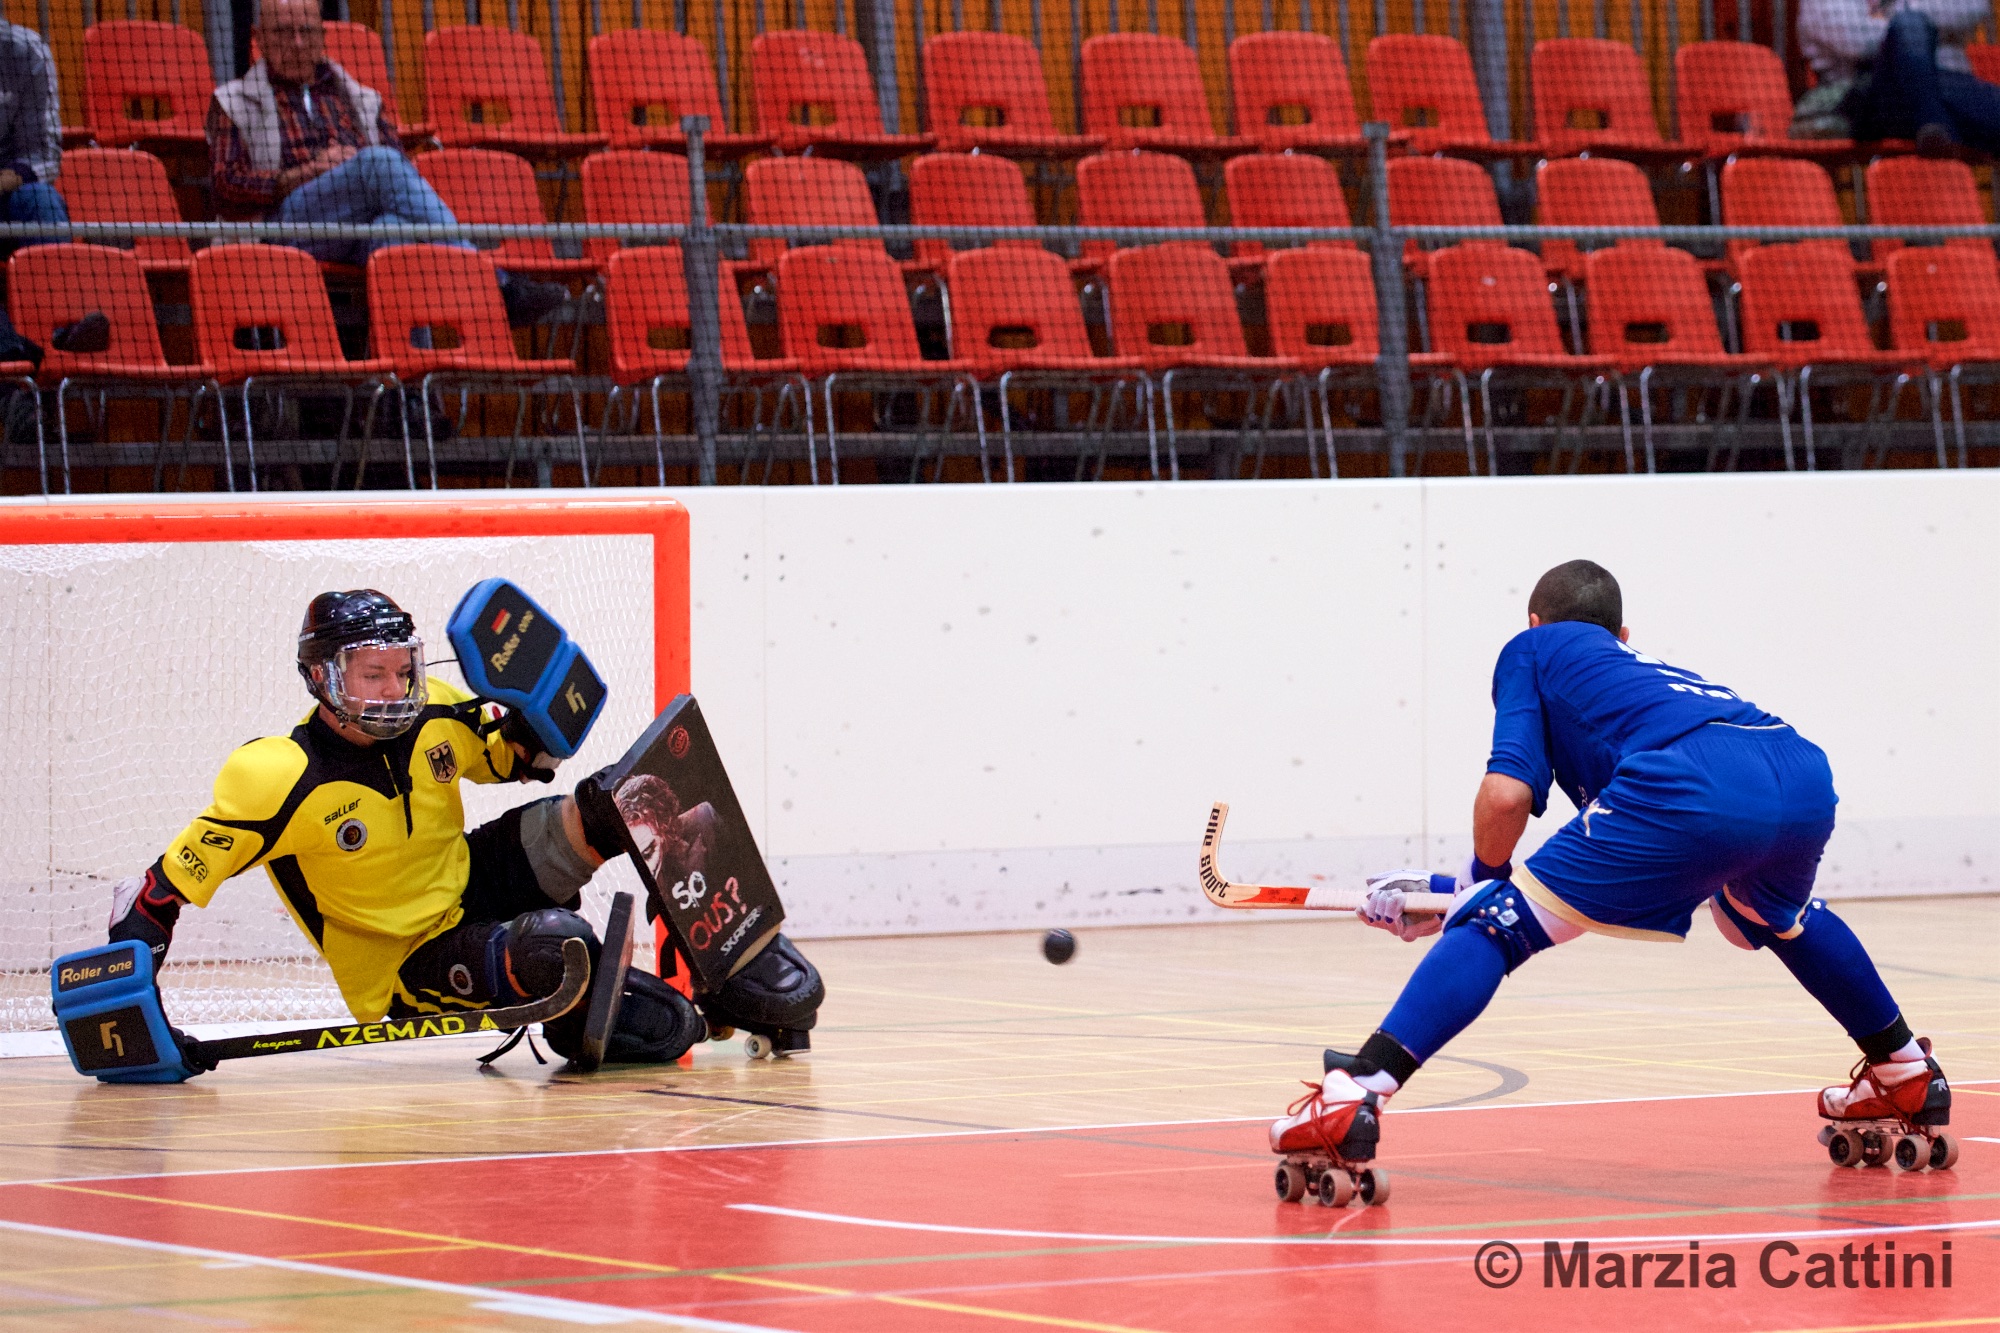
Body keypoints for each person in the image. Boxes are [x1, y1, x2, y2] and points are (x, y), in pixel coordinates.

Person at [1271, 560, 1952, 1172]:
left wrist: (1474, 893)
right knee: (1763, 915)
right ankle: (1905, 1068)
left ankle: (1356, 1091)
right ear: (1622, 635)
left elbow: (1506, 795)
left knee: (1494, 928)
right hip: (1798, 769)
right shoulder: (1645, 676)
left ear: (1534, 622)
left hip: (1694, 780)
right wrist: (1459, 893)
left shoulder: (1532, 649)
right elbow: (1710, 897)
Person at [106, 589, 713, 1067]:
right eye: (373, 675)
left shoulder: (435, 710)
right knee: (556, 947)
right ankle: (585, 1021)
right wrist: (132, 1022)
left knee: (625, 797)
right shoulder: (276, 775)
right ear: (321, 677)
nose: (395, 690)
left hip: (467, 879)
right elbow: (153, 897)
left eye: (403, 670)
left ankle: (728, 955)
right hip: (404, 960)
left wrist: (539, 714)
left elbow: (513, 761)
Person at [207, 0, 567, 326]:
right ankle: (493, 284)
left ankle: (406, 375)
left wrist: (352, 168)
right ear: (258, 38)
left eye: (307, 31)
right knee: (377, 162)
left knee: (395, 234)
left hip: (356, 227)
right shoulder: (232, 102)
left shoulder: (361, 99)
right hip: (282, 229)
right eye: (284, 33)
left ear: (322, 36)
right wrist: (309, 173)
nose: (298, 44)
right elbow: (226, 186)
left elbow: (399, 165)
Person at [1799, 0, 2000, 155]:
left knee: (1910, 24)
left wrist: (1893, 12)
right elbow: (1856, 42)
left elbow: (1971, 8)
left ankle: (1937, 129)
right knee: (1909, 24)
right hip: (1875, 97)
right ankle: (1934, 125)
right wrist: (1907, 24)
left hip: (1951, 85)